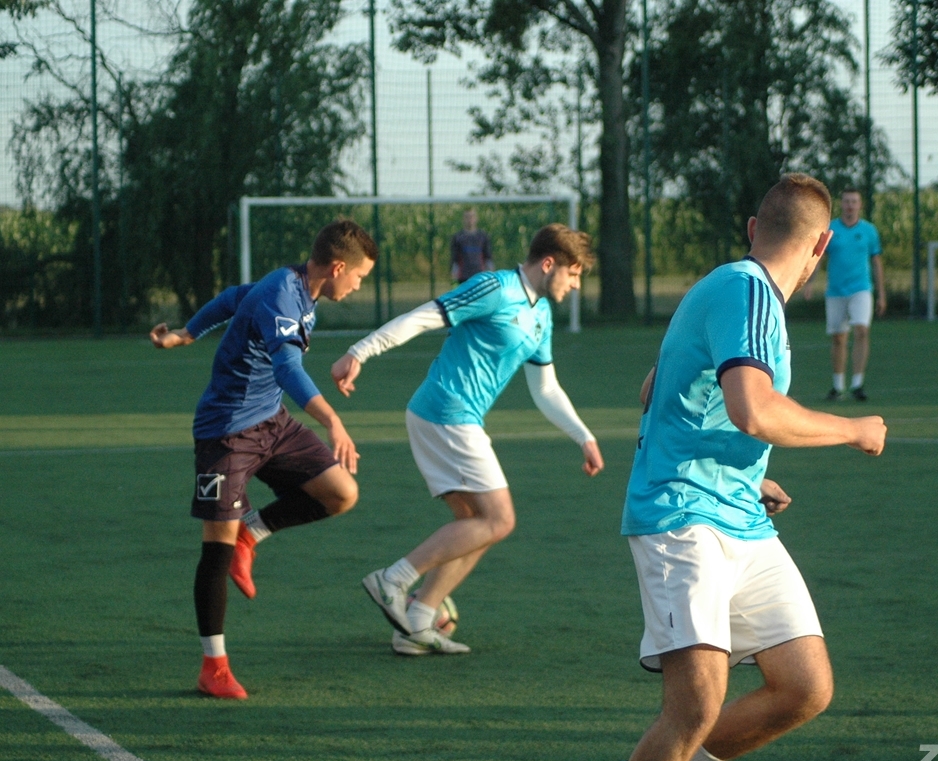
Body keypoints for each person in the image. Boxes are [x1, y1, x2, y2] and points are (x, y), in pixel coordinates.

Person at [598, 174, 887, 761]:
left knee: (804, 686)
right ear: (823, 246)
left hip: (736, 514)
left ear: (755, 228)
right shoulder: (748, 290)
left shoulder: (736, 290)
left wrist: (746, 475)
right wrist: (853, 429)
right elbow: (753, 410)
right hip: (682, 517)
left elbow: (659, 389)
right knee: (696, 703)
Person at [332, 223, 604, 656]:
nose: (575, 285)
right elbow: (424, 316)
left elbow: (545, 389)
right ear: (549, 263)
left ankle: (417, 622)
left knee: (477, 526)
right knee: (500, 519)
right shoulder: (495, 288)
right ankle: (393, 580)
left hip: (455, 419)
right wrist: (360, 351)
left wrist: (583, 436)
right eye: (572, 274)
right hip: (445, 412)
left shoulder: (541, 316)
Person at [150, 220, 377, 700]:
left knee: (341, 492)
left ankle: (252, 533)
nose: (359, 286)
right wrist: (333, 421)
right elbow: (287, 367)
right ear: (339, 267)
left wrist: (187, 332)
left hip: (272, 423)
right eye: (360, 276)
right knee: (217, 548)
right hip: (226, 433)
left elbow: (234, 297)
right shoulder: (282, 294)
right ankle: (213, 667)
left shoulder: (298, 287)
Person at [804, 187, 885, 401]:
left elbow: (876, 262)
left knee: (861, 331)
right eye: (847, 201)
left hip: (861, 289)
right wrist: (809, 282)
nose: (850, 205)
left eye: (854, 201)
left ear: (860, 205)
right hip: (836, 291)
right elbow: (819, 258)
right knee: (839, 337)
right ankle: (838, 386)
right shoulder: (831, 229)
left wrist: (882, 294)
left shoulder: (869, 230)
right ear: (842, 204)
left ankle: (857, 384)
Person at [450, 208, 494, 283]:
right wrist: (454, 276)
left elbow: (488, 258)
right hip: (463, 277)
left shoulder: (483, 237)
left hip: (480, 276)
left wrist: (491, 275)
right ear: (463, 219)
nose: (470, 219)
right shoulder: (458, 237)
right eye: (467, 217)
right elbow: (455, 260)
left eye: (472, 216)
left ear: (476, 218)